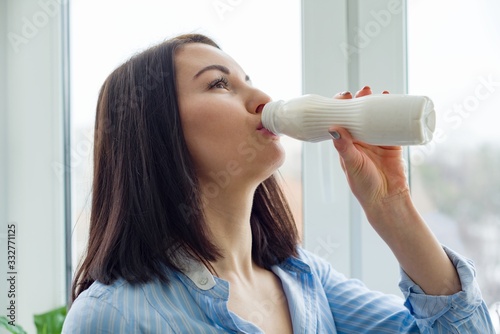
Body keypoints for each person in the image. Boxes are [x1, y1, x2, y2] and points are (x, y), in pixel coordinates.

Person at [62, 34, 494, 333]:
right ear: (155, 133)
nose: (262, 98)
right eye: (219, 84)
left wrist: (393, 207)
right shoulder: (111, 317)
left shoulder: (304, 280)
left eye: (248, 80)